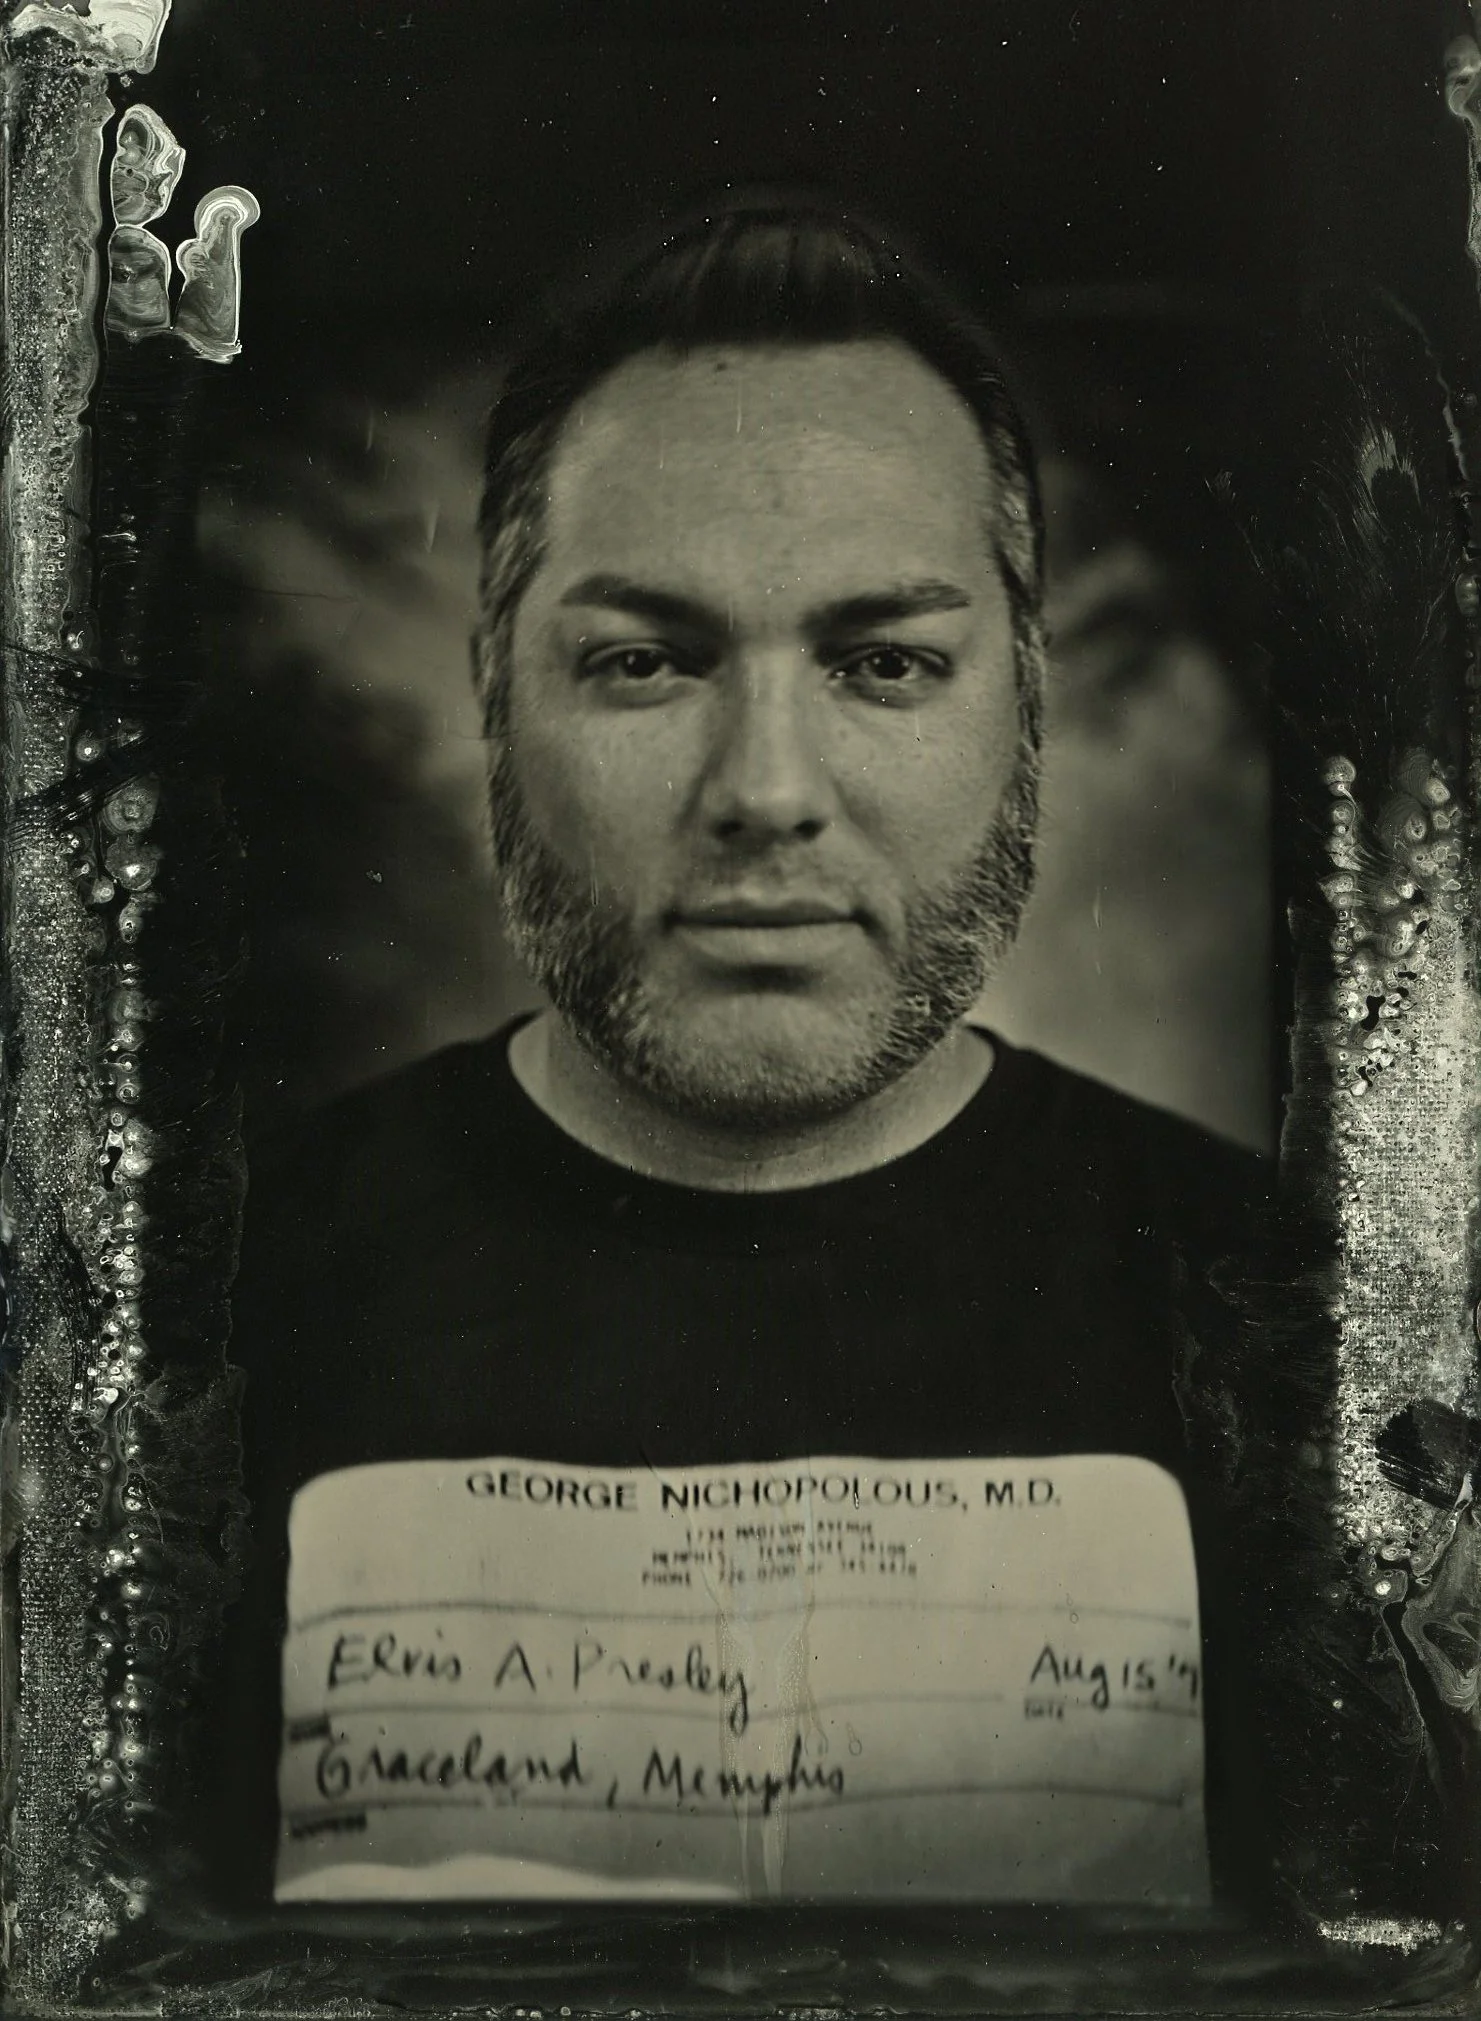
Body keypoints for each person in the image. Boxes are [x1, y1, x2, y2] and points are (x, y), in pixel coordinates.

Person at [219, 195, 1269, 1913]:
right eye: (645, 661)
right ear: (494, 693)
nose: (767, 792)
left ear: (1026, 701)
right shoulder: (191, 1322)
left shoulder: (1305, 1328)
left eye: (884, 662)